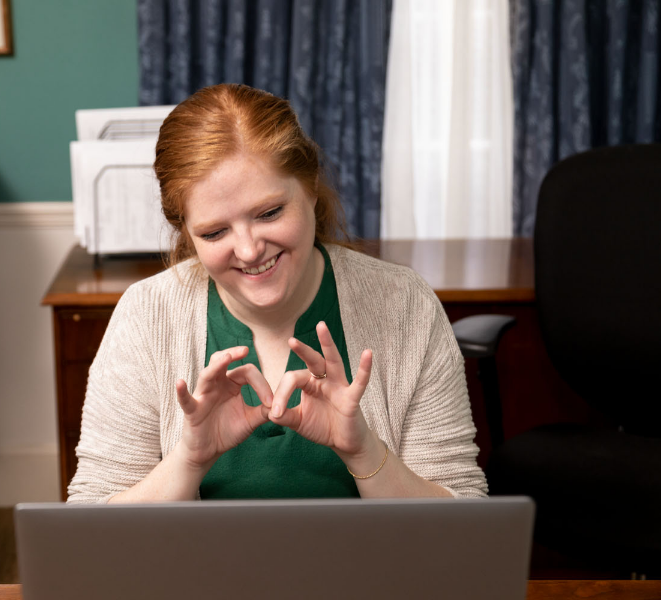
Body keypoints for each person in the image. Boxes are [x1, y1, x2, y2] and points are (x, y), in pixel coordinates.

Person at [66, 84, 487, 504]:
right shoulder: (146, 316)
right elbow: (90, 526)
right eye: (214, 232)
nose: (249, 251)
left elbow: (466, 519)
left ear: (310, 187)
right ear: (187, 235)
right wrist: (188, 461)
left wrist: (364, 451)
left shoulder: (404, 304)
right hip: (197, 573)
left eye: (269, 213)